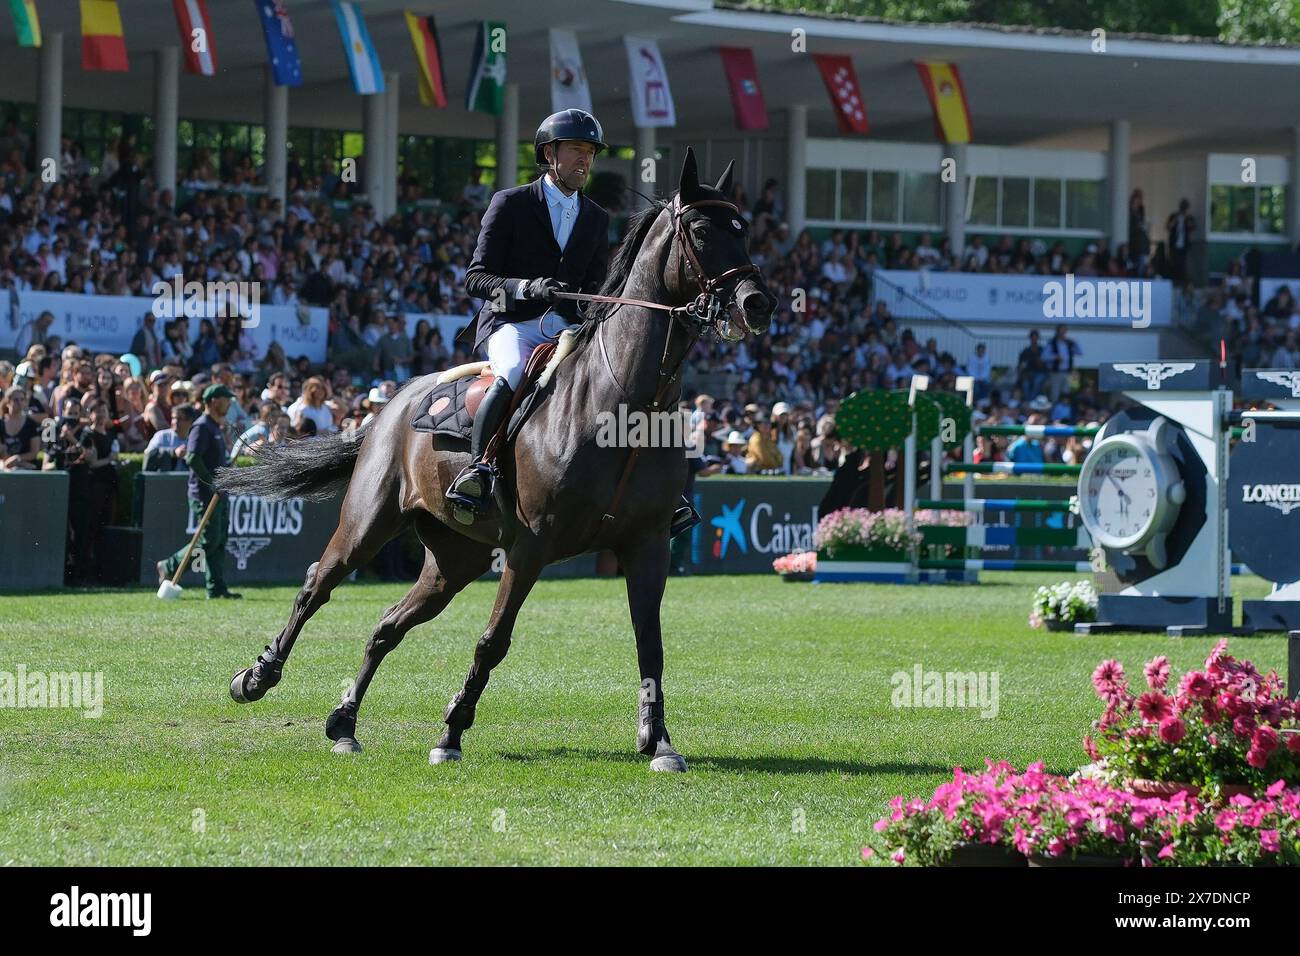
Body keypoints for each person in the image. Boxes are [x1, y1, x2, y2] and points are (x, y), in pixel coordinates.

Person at [446, 108, 612, 519]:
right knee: (515, 371)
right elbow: (476, 277)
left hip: (568, 328)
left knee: (618, 378)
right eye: (576, 149)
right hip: (511, 322)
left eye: (590, 152)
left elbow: (594, 286)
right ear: (549, 154)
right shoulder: (511, 203)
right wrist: (525, 287)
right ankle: (478, 468)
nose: (584, 160)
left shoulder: (596, 217)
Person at [156, 384, 241, 599]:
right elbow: (192, 457)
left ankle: (216, 588)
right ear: (213, 401)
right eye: (225, 399)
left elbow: (213, 459)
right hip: (205, 494)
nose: (229, 403)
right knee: (209, 540)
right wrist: (212, 483)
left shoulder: (215, 427)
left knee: (219, 539)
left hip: (219, 492)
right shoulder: (202, 426)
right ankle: (169, 565)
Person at [143, 402, 197, 472]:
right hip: (163, 481)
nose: (175, 422)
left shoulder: (195, 439)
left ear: (190, 421)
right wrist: (173, 453)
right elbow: (149, 455)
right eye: (174, 418)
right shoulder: (161, 436)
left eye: (180, 418)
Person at [0, 386, 40, 470]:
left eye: (22, 399)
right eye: (16, 400)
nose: (19, 403)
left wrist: (17, 458)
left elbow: (34, 452)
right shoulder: (1, 423)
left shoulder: (31, 424)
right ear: (8, 402)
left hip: (27, 468)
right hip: (5, 467)